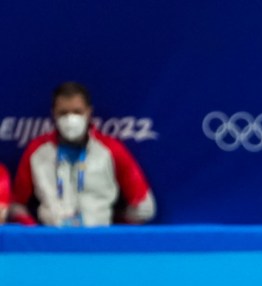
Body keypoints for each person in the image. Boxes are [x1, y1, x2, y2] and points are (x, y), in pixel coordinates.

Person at [9, 82, 155, 227]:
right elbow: (15, 204)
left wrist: (112, 231)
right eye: (63, 113)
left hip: (99, 241)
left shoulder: (111, 150)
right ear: (53, 113)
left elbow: (144, 207)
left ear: (89, 112)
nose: (70, 119)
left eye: (77, 112)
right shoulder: (37, 151)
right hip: (52, 242)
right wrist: (35, 233)